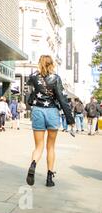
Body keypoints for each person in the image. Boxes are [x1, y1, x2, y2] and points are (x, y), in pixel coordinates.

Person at [25, 55, 75, 188]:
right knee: (51, 146)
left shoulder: (33, 77)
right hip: (52, 111)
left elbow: (28, 96)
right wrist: (70, 120)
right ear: (52, 64)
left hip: (38, 111)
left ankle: (33, 164)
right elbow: (63, 99)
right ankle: (49, 178)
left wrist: (32, 102)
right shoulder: (56, 78)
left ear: (39, 63)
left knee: (38, 146)